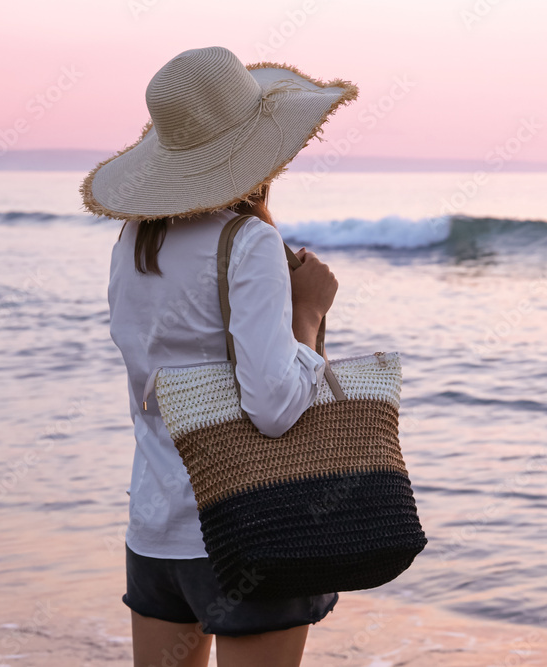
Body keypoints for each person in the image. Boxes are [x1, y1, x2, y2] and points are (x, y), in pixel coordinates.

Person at [80, 46, 359, 667]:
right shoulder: (249, 240)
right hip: (245, 529)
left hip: (155, 529)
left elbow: (150, 390)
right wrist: (309, 315)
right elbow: (273, 409)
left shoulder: (132, 243)